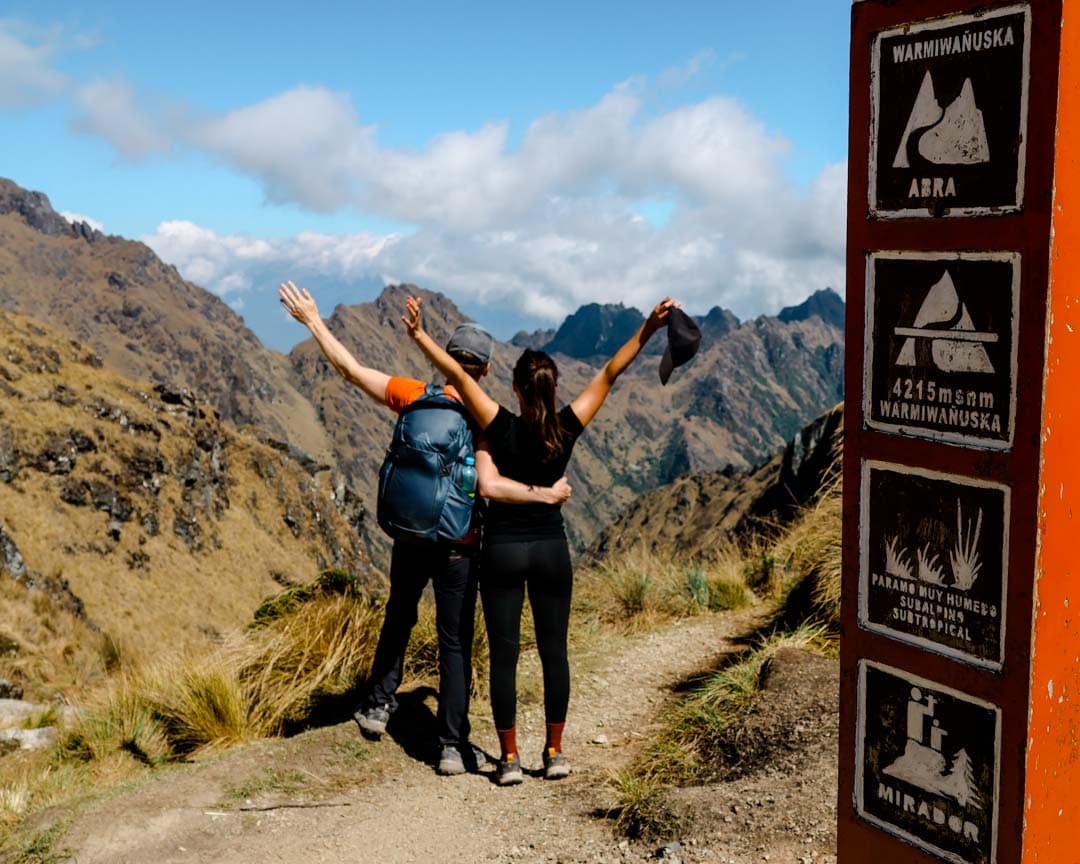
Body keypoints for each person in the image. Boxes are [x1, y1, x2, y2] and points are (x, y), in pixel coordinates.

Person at [278, 281, 572, 776]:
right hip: (461, 545)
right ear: (488, 370)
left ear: (447, 359)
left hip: (412, 534)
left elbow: (349, 370)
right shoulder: (488, 416)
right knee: (453, 638)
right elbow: (493, 485)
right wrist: (547, 496)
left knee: (400, 612)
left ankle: (376, 703)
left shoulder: (414, 395)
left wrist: (313, 321)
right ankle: (452, 745)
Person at [401, 293, 676, 785]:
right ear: (552, 390)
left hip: (502, 553)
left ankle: (507, 760)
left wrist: (420, 335)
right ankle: (554, 751)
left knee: (504, 655)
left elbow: (460, 378)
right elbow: (611, 372)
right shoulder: (567, 428)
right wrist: (649, 329)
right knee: (555, 652)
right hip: (552, 552)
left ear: (515, 388)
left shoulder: (498, 425)